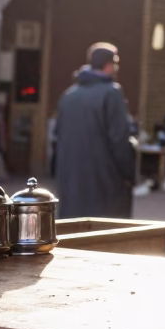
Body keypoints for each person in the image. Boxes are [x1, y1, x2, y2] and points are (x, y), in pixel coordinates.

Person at [55, 42, 136, 219]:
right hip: (104, 181)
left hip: (72, 180)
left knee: (73, 233)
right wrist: (129, 173)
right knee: (104, 236)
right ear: (109, 65)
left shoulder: (69, 96)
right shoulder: (112, 93)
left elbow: (58, 137)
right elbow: (119, 139)